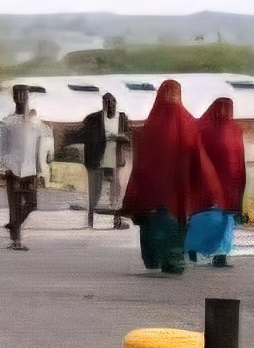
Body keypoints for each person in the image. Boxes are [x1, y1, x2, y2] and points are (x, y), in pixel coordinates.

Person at [115, 78, 219, 276]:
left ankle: (155, 259)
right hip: (179, 193)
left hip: (153, 194)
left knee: (154, 227)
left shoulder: (150, 127)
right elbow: (199, 160)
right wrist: (206, 188)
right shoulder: (189, 125)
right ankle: (174, 261)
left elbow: (142, 165)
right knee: (176, 226)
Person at [184, 98, 246, 267]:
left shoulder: (203, 128)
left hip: (217, 182)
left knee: (218, 218)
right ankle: (211, 251)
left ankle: (213, 252)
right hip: (221, 182)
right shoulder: (230, 129)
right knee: (218, 218)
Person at [0, 84, 52, 250]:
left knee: (31, 203)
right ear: (14, 98)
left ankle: (14, 224)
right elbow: (2, 147)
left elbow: (40, 147)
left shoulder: (36, 123)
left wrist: (41, 170)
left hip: (30, 170)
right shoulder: (7, 122)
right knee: (14, 205)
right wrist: (2, 166)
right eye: (17, 95)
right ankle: (16, 241)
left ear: (27, 97)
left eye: (23, 95)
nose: (21, 98)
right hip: (12, 169)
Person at [75, 91, 131, 229]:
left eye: (112, 103)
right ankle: (90, 220)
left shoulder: (122, 118)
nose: (110, 106)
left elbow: (128, 137)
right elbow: (85, 137)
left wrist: (119, 139)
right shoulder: (93, 119)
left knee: (116, 193)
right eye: (107, 103)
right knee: (95, 192)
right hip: (97, 160)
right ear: (103, 104)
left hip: (114, 160)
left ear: (115, 104)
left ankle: (116, 221)